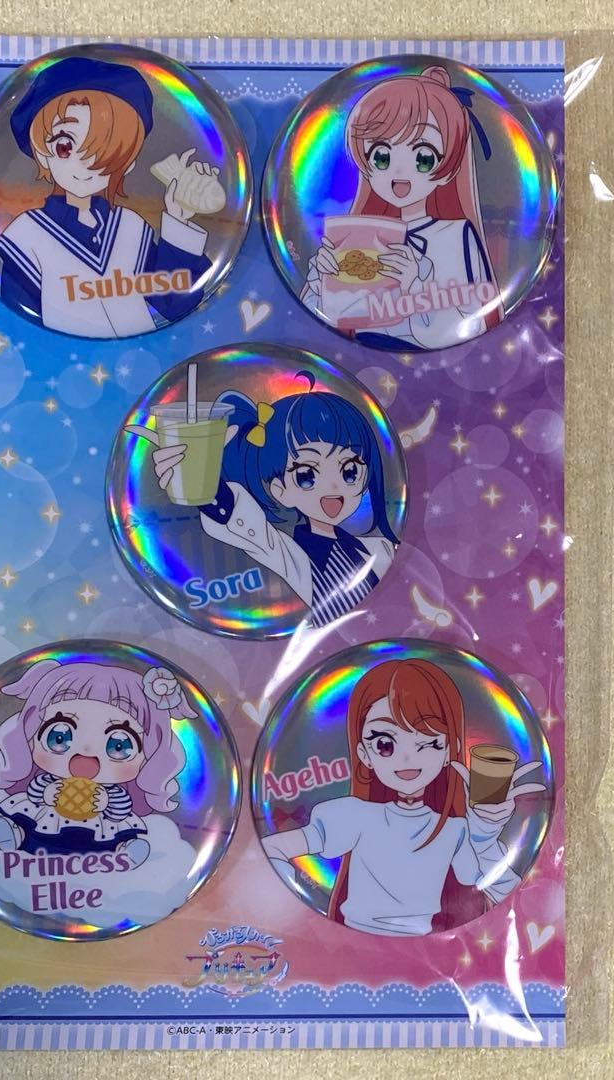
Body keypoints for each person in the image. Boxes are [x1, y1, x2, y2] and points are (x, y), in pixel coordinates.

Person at [261, 658, 545, 935]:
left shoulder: (453, 829)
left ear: (450, 750)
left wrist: (484, 831)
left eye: (429, 742)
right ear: (364, 754)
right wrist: (296, 892)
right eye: (385, 744)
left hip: (425, 948)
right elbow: (273, 847)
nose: (408, 758)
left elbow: (497, 887)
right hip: (349, 939)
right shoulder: (354, 816)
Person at [151, 373, 400, 628]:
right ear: (280, 490)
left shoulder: (380, 548)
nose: (334, 487)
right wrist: (201, 475)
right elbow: (247, 526)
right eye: (307, 476)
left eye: (350, 471)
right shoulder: (291, 557)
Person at [0, 56, 219, 336]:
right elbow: (18, 322)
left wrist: (178, 218)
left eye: (108, 154)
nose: (86, 164)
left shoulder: (131, 226)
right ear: (41, 153)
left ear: (129, 163)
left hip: (146, 352)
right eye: (65, 146)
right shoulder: (26, 236)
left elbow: (174, 302)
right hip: (60, 356)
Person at [303, 67, 502, 351]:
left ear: (448, 170)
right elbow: (332, 319)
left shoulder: (456, 235)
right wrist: (322, 282)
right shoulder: (361, 234)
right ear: (365, 166)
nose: (399, 172)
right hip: (357, 353)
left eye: (423, 159)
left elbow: (472, 324)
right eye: (382, 157)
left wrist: (416, 286)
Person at [0, 659, 190, 869]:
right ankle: (18, 835)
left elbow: (121, 809)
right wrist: (47, 793)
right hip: (49, 820)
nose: (84, 759)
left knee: (110, 840)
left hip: (98, 832)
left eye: (119, 745)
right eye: (59, 737)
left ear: (149, 754)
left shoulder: (114, 792)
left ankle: (123, 853)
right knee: (32, 825)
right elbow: (35, 791)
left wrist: (105, 802)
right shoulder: (48, 779)